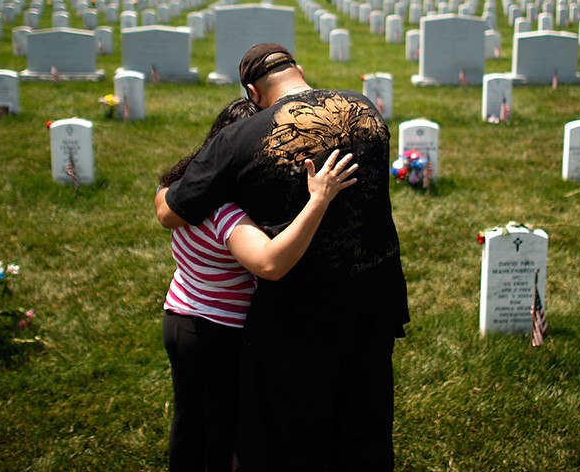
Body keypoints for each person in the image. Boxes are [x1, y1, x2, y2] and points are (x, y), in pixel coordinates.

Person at [156, 43, 409, 472]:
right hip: (375, 301)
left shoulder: (242, 136)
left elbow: (169, 212)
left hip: (300, 316)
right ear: (300, 70)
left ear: (253, 92)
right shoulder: (365, 108)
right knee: (365, 434)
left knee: (299, 442)